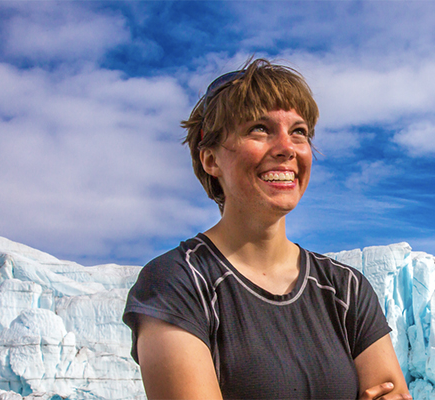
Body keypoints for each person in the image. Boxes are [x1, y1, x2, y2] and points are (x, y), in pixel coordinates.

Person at [122, 58, 411, 400]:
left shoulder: (346, 289)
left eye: (299, 132)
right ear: (210, 159)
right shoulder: (179, 282)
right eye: (259, 128)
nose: (287, 148)